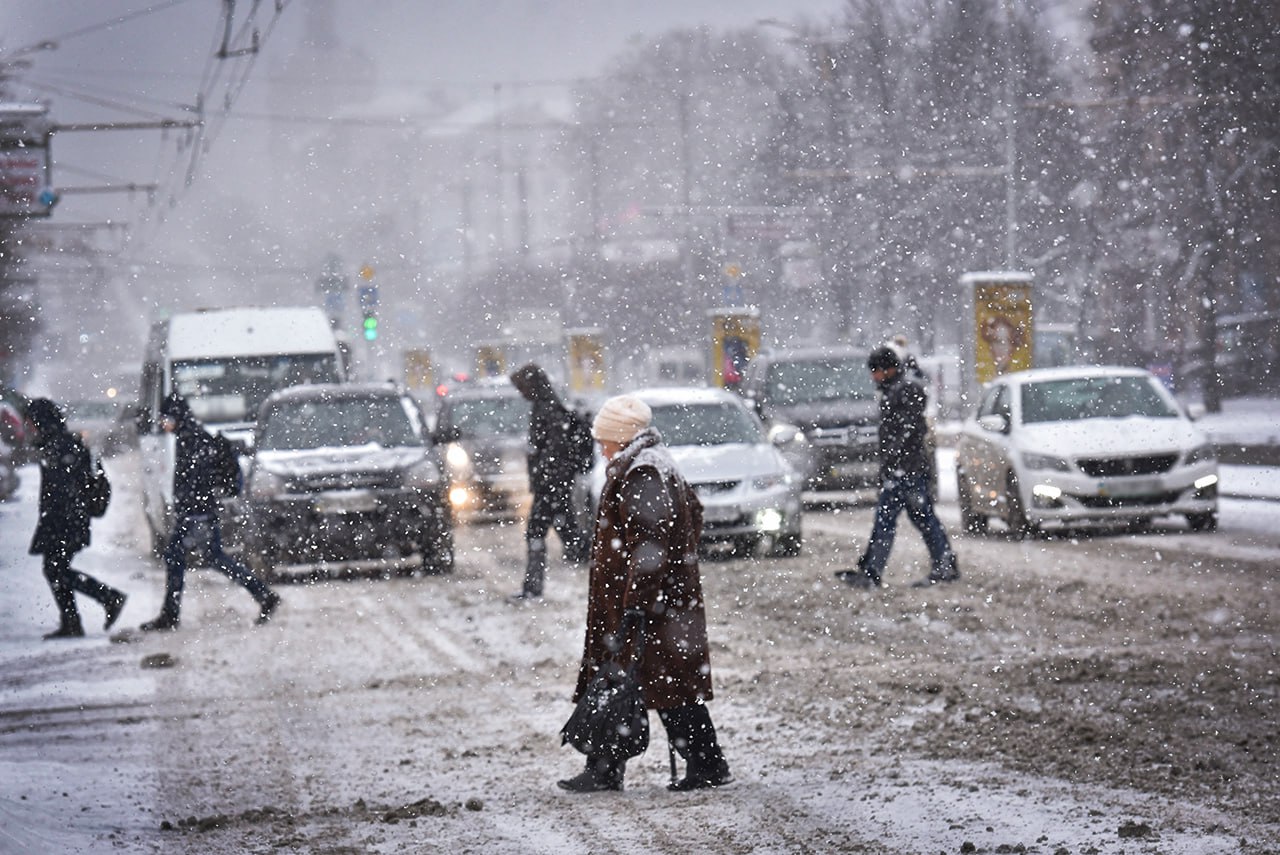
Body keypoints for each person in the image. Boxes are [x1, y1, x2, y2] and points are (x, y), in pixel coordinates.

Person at [559, 395, 731, 793]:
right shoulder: (652, 464)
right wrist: (676, 570)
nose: (600, 448)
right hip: (654, 601)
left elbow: (650, 543)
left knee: (661, 688)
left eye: (604, 439)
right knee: (634, 684)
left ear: (620, 438)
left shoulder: (643, 473)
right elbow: (692, 516)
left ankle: (705, 763)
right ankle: (607, 768)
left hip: (645, 606)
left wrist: (638, 601)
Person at [140, 393, 279, 631]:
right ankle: (263, 594)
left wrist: (191, 510)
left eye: (166, 419)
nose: (164, 424)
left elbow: (196, 480)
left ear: (176, 416)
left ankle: (170, 615)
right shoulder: (191, 436)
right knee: (209, 558)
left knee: (183, 557)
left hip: (197, 514)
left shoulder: (193, 439)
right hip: (197, 511)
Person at [840, 346, 960, 589]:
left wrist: (894, 461)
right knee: (918, 518)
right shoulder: (898, 391)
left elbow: (907, 432)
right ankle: (941, 563)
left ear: (888, 369)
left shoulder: (903, 391)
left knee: (893, 520)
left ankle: (874, 571)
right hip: (903, 470)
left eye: (876, 371)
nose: (873, 377)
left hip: (905, 471)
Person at [26, 398, 127, 639]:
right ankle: (75, 620)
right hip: (64, 520)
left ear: (42, 421)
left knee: (55, 569)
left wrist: (59, 520)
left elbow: (66, 490)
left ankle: (107, 598)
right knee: (55, 570)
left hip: (65, 521)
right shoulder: (59, 444)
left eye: (31, 421)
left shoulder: (61, 447)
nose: (29, 426)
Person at [508, 363, 588, 600]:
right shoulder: (545, 406)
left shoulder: (548, 409)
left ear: (533, 386)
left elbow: (555, 451)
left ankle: (533, 588)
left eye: (522, 387)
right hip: (553, 485)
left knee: (536, 532)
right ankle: (598, 561)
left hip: (551, 486)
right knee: (568, 533)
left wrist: (543, 473)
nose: (520, 393)